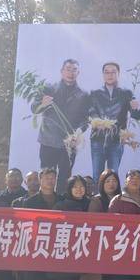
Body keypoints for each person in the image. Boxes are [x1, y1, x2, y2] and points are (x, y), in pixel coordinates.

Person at [31, 58, 90, 192]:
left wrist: (78, 133)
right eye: (68, 69)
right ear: (62, 71)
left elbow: (86, 119)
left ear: (78, 73)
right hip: (48, 141)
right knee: (46, 177)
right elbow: (34, 108)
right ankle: (45, 202)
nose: (71, 73)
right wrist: (42, 104)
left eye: (74, 70)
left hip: (70, 143)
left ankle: (61, 203)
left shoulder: (84, 94)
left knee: (65, 178)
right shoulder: (48, 89)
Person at [17, 168, 60, 280]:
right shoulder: (30, 202)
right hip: (33, 248)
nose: (50, 180)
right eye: (47, 178)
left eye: (53, 178)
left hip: (53, 248)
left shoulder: (61, 200)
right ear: (41, 180)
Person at [88, 61, 140, 179]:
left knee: (113, 176)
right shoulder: (95, 93)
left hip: (116, 140)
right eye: (106, 72)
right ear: (103, 75)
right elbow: (91, 112)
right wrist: (99, 122)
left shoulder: (126, 93)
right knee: (97, 176)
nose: (110, 75)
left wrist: (135, 108)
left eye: (113, 72)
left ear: (118, 74)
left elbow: (136, 116)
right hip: (97, 139)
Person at [83, 170, 122, 280]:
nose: (111, 184)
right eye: (107, 181)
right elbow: (92, 223)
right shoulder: (96, 200)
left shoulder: (122, 199)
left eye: (114, 181)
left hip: (117, 248)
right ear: (101, 184)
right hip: (97, 248)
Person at [50, 176, 90, 280]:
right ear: (69, 188)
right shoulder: (61, 205)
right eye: (75, 186)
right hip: (64, 253)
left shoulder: (89, 204)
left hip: (82, 251)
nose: (79, 189)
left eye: (82, 186)